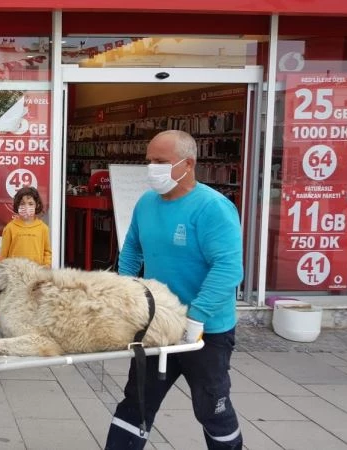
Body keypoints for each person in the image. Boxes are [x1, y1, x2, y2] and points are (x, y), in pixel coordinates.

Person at [105, 130, 243, 449]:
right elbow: (132, 251)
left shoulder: (213, 208)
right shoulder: (146, 203)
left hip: (206, 332)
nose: (152, 168)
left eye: (161, 162)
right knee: (136, 402)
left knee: (212, 408)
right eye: (149, 161)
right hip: (160, 326)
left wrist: (197, 317)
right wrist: (124, 292)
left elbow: (229, 269)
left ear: (188, 164)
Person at [0, 186, 52, 266]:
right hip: (15, 273)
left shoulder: (43, 228)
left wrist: (46, 266)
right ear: (17, 206)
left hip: (36, 273)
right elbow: (3, 254)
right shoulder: (10, 228)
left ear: (37, 205)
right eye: (22, 203)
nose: (26, 207)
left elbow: (47, 252)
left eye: (30, 204)